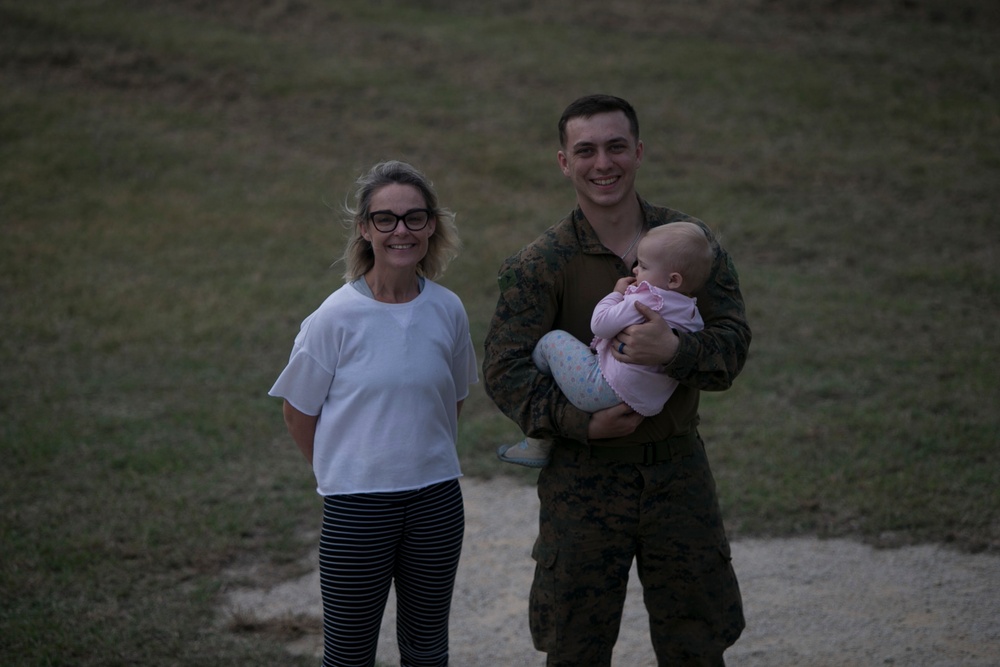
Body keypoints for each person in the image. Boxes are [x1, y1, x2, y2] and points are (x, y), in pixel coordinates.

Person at [482, 94, 750, 666]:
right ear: (564, 162)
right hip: (582, 483)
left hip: (676, 475)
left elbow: (732, 346)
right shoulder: (541, 263)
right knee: (576, 648)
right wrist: (581, 421)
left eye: (616, 147)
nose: (602, 163)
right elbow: (504, 369)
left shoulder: (690, 245)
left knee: (696, 645)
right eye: (586, 150)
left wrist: (674, 350)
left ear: (638, 152)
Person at [269, 160, 478, 667]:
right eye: (386, 219)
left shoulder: (448, 309)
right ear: (365, 228)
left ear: (432, 225)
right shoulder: (334, 318)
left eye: (414, 217)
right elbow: (298, 412)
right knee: (348, 656)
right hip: (357, 509)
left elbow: (452, 397)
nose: (401, 231)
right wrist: (342, 473)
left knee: (427, 651)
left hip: (437, 502)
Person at [496, 221, 714, 468]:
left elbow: (600, 325)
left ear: (673, 280)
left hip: (601, 389)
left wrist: (616, 294)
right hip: (644, 401)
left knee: (551, 342)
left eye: (643, 266)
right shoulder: (691, 313)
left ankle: (539, 437)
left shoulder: (645, 299)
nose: (635, 270)